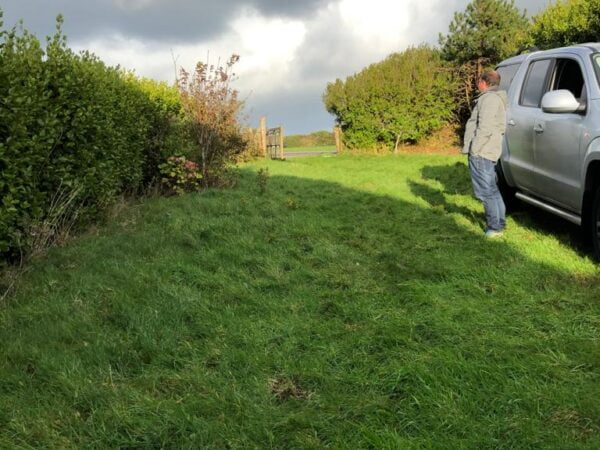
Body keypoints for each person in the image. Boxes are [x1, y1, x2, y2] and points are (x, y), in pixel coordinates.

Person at [462, 70, 508, 238]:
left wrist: (475, 149)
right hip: (489, 150)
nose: (476, 84)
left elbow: (485, 128)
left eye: (478, 81)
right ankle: (500, 223)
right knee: (492, 189)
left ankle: (494, 228)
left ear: (484, 82)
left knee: (485, 192)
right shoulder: (495, 98)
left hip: (482, 152)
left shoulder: (489, 99)